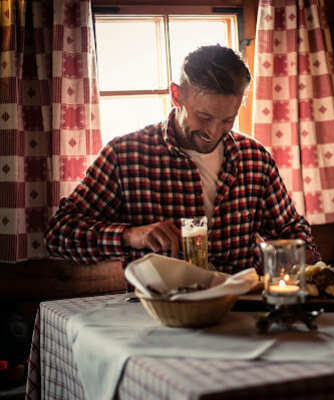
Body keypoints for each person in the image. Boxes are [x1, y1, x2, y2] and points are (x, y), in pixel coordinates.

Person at [45, 45, 319, 273]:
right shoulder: (125, 155)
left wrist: (303, 255)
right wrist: (131, 235)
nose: (214, 132)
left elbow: (290, 229)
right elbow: (60, 234)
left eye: (227, 119)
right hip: (159, 315)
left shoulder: (254, 159)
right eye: (204, 117)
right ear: (176, 95)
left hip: (243, 311)